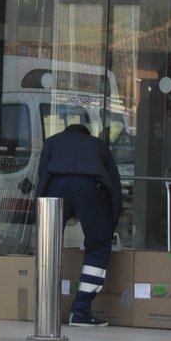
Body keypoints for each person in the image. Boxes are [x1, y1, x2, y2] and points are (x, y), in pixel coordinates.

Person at [35, 123, 124, 327]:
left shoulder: (52, 142)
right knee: (98, 245)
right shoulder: (98, 146)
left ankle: (44, 310)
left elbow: (42, 175)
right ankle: (81, 309)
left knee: (48, 247)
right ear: (86, 135)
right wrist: (109, 223)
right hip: (90, 186)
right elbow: (114, 185)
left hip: (54, 186)